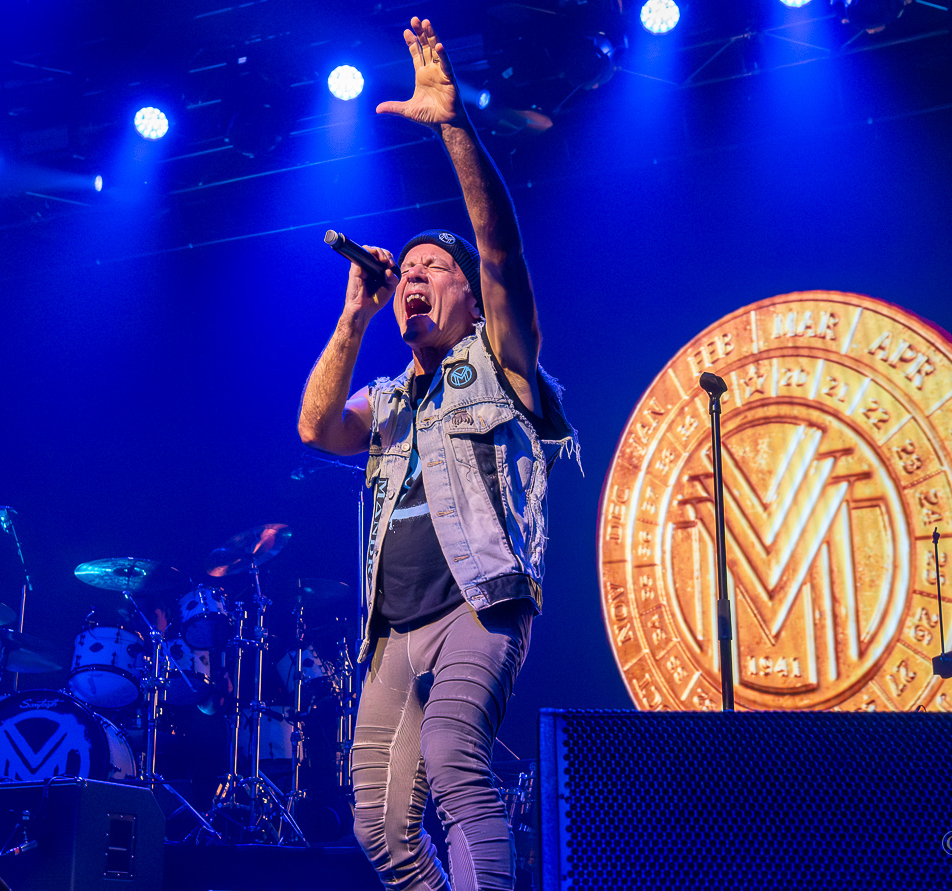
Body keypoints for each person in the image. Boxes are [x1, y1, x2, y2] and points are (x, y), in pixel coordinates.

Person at [297, 16, 577, 891]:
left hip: (477, 602)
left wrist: (454, 125)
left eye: (434, 267)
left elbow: (500, 248)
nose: (413, 274)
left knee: (456, 759)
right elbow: (316, 428)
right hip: (393, 626)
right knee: (379, 825)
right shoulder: (387, 399)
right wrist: (355, 313)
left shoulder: (504, 362)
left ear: (472, 298)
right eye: (407, 268)